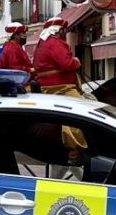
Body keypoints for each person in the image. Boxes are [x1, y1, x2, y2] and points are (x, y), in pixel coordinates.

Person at [32, 16, 87, 165]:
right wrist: (76, 62)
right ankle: (74, 148)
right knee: (78, 111)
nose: (65, 32)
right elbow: (66, 63)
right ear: (59, 30)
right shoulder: (55, 44)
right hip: (60, 87)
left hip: (47, 85)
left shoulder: (41, 44)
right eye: (64, 29)